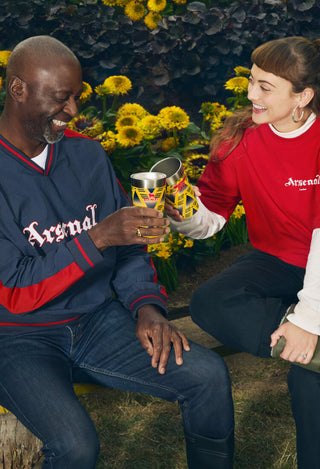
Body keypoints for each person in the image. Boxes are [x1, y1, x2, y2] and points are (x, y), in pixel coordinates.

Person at [0, 35, 234, 468]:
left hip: (96, 320)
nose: (72, 111)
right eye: (60, 98)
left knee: (208, 377)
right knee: (75, 447)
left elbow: (129, 248)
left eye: (76, 96)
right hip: (17, 339)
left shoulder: (86, 155)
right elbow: (12, 289)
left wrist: (146, 306)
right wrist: (97, 238)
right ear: (18, 90)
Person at [167, 36, 320, 468]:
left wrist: (310, 317)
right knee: (210, 301)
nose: (251, 94)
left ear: (302, 96)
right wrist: (176, 207)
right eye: (252, 81)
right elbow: (211, 216)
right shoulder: (240, 140)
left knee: (309, 385)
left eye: (266, 87)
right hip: (277, 259)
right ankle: (307, 346)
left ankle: (307, 343)